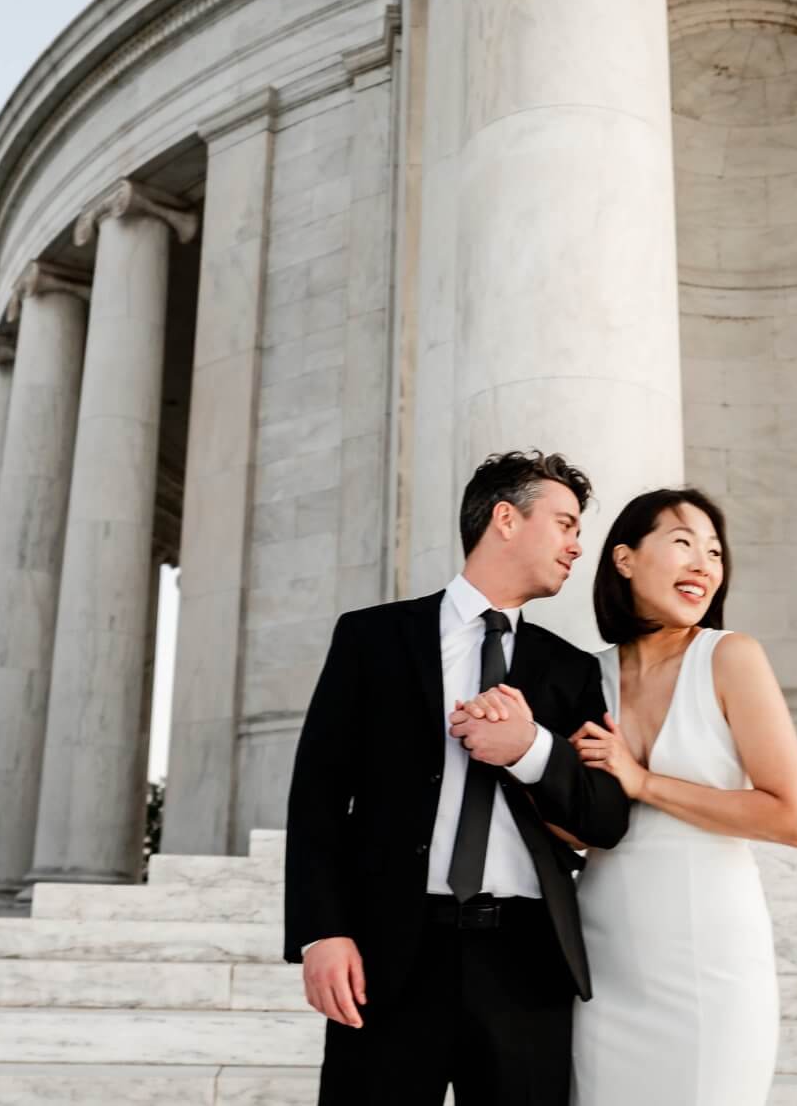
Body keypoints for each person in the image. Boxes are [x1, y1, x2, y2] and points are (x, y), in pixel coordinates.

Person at [283, 450, 631, 1106]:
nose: (577, 546)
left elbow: (604, 818)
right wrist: (321, 931)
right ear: (506, 518)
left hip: (526, 960)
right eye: (564, 524)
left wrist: (529, 749)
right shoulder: (373, 638)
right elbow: (319, 797)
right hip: (390, 954)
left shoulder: (572, 671)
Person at [554, 487, 797, 1106]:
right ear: (624, 559)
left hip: (711, 961)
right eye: (682, 543)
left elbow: (791, 817)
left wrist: (642, 782)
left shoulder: (730, 657)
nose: (703, 564)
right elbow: (578, 829)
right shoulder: (583, 676)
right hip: (605, 958)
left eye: (715, 552)